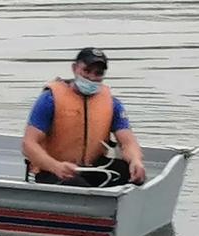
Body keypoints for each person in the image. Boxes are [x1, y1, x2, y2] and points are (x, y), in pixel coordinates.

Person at [21, 48, 146, 187]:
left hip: (90, 167)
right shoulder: (50, 99)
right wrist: (55, 166)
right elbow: (29, 144)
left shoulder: (112, 103)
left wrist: (136, 160)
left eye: (98, 73)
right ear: (75, 69)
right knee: (76, 185)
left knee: (130, 173)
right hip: (52, 170)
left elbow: (128, 141)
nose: (92, 77)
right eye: (86, 71)